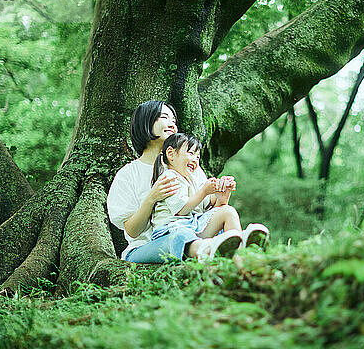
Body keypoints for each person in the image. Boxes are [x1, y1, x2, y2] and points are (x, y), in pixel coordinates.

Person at [107, 100, 268, 263]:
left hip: (190, 231)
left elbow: (206, 211)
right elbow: (133, 231)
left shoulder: (189, 167)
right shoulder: (128, 174)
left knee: (227, 211)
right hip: (147, 247)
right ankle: (208, 249)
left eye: (174, 121)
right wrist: (152, 198)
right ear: (145, 123)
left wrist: (221, 194)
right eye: (164, 117)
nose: (172, 124)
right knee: (178, 236)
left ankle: (242, 254)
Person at [150, 133, 261, 261]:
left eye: (198, 157)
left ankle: (241, 251)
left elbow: (213, 206)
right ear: (171, 154)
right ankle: (234, 252)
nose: (195, 160)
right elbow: (181, 210)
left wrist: (222, 194)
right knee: (184, 234)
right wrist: (204, 191)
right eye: (191, 153)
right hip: (170, 230)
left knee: (228, 211)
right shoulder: (169, 177)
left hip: (192, 226)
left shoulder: (194, 177)